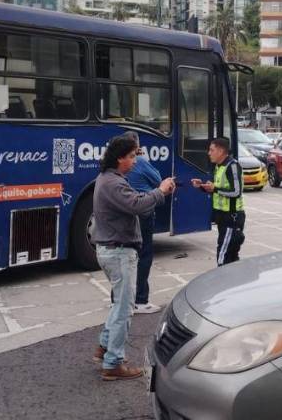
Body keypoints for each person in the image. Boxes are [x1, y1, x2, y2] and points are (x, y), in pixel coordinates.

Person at [91, 134, 175, 381]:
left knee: (119, 304)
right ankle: (113, 363)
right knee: (126, 309)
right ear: (119, 158)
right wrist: (161, 191)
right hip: (119, 252)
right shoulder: (114, 184)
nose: (134, 161)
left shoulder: (108, 179)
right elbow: (138, 205)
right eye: (131, 157)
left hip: (111, 249)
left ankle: (104, 347)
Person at [122, 131, 163, 315]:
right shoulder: (141, 162)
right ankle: (140, 300)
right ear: (137, 147)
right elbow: (158, 180)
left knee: (125, 257)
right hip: (143, 213)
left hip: (125, 214)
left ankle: (120, 300)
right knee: (144, 255)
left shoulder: (119, 165)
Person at [191, 138, 246, 266]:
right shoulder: (219, 166)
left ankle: (222, 284)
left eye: (212, 150)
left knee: (223, 258)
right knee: (230, 259)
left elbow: (236, 192)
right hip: (223, 218)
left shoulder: (232, 166)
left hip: (232, 218)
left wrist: (215, 188)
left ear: (221, 151)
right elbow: (218, 190)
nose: (209, 153)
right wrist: (202, 186)